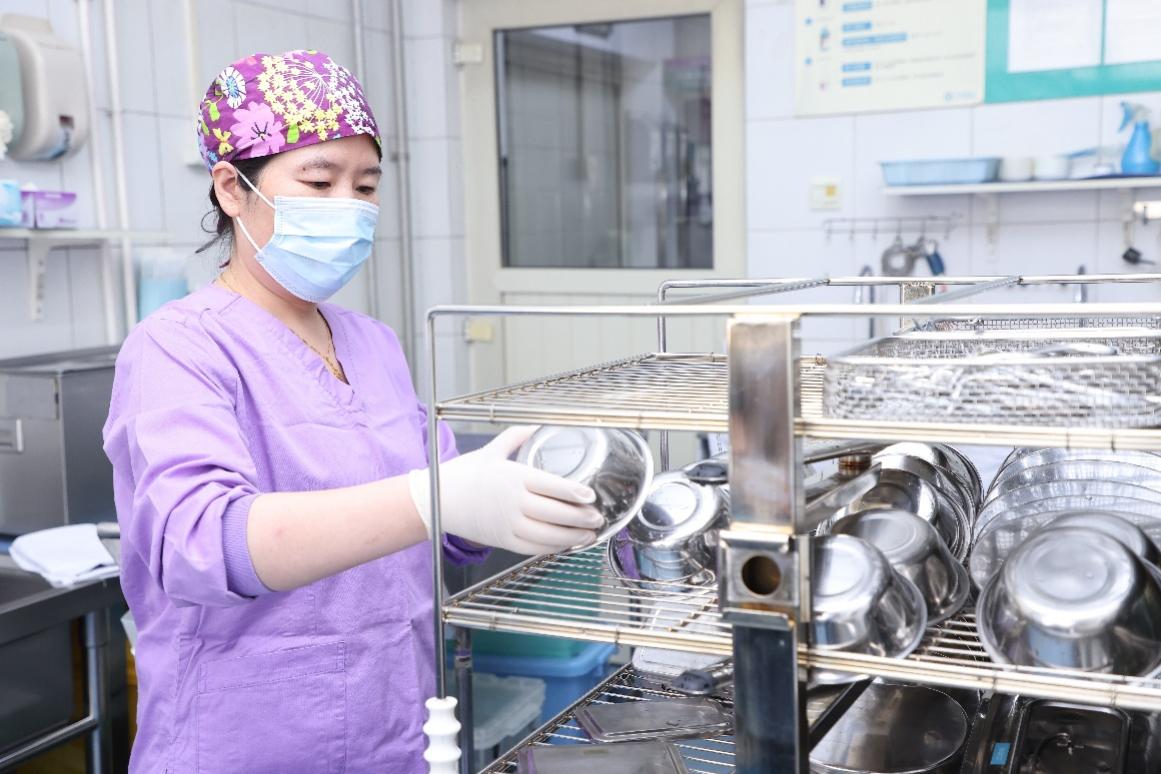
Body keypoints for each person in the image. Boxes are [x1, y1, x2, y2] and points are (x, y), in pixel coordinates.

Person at [103, 50, 602, 773]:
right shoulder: (177, 347)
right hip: (247, 743)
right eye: (319, 182)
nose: (348, 204)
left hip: (392, 730)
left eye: (365, 186)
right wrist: (431, 499)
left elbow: (441, 514)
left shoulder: (372, 343)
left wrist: (524, 487)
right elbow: (199, 543)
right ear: (233, 189)